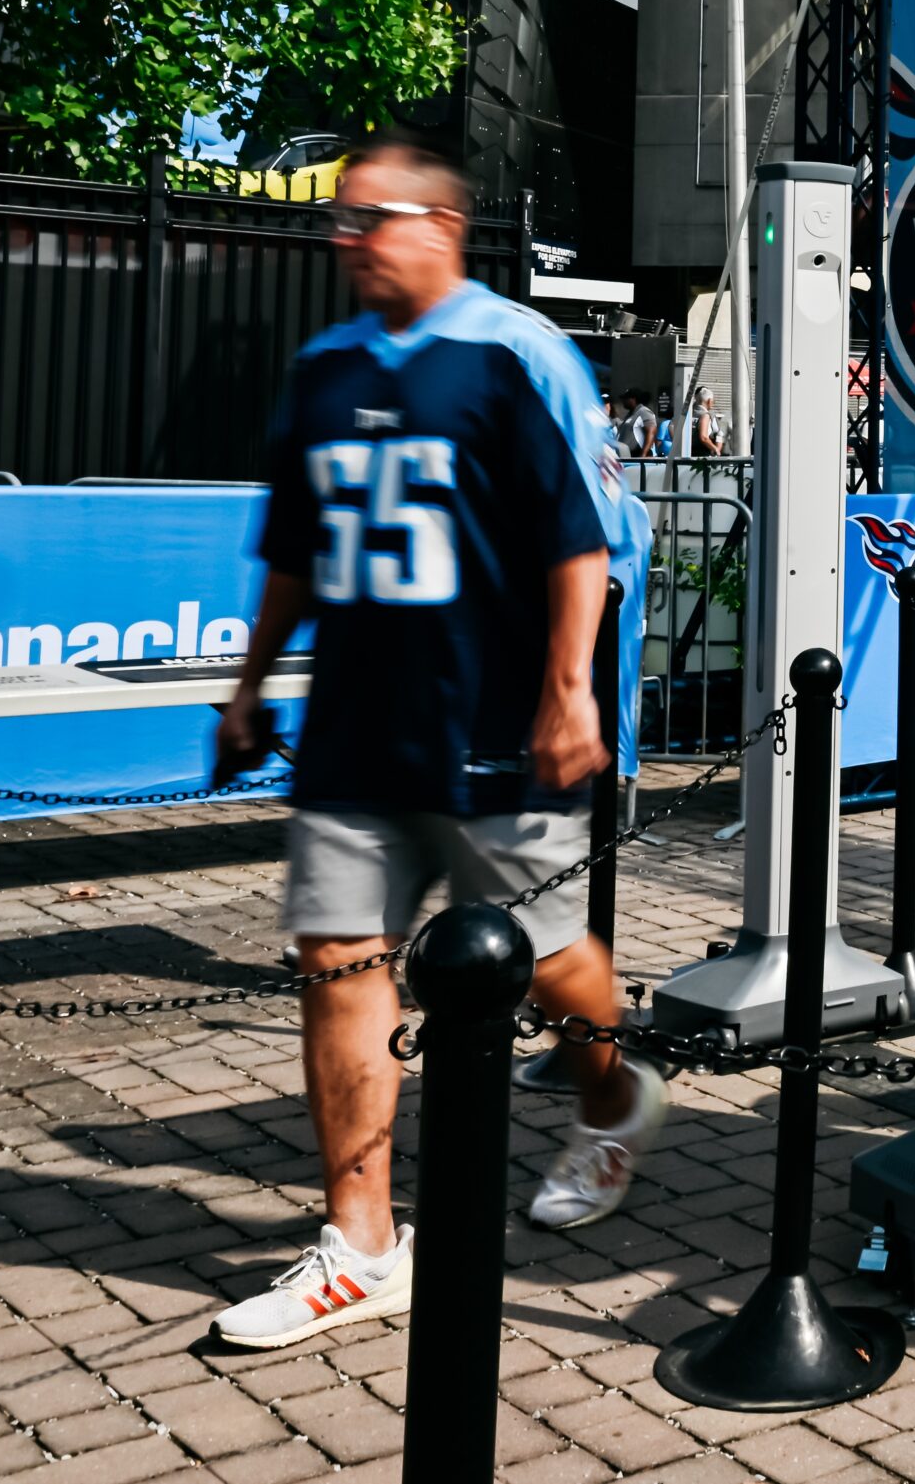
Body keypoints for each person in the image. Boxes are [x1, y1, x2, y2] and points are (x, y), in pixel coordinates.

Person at [208, 135, 661, 1350]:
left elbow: (588, 538)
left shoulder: (517, 355)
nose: (347, 242)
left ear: (441, 226)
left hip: (493, 730)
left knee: (550, 957)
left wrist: (573, 694)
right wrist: (251, 686)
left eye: (371, 220)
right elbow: (294, 551)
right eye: (340, 225)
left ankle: (613, 1097)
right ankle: (360, 1241)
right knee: (337, 962)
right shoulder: (322, 367)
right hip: (353, 733)